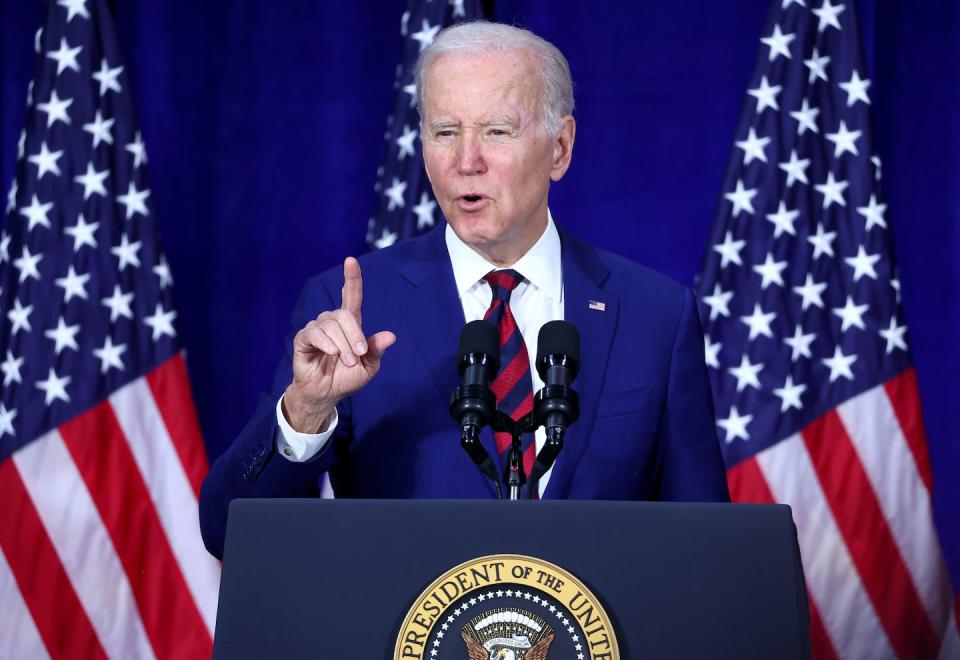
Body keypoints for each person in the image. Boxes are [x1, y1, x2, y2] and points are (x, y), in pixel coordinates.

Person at [199, 22, 729, 560]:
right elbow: (230, 533)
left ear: (560, 148)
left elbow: (707, 551)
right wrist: (307, 411)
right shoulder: (349, 311)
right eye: (445, 132)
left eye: (497, 131)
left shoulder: (654, 316)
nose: (466, 161)